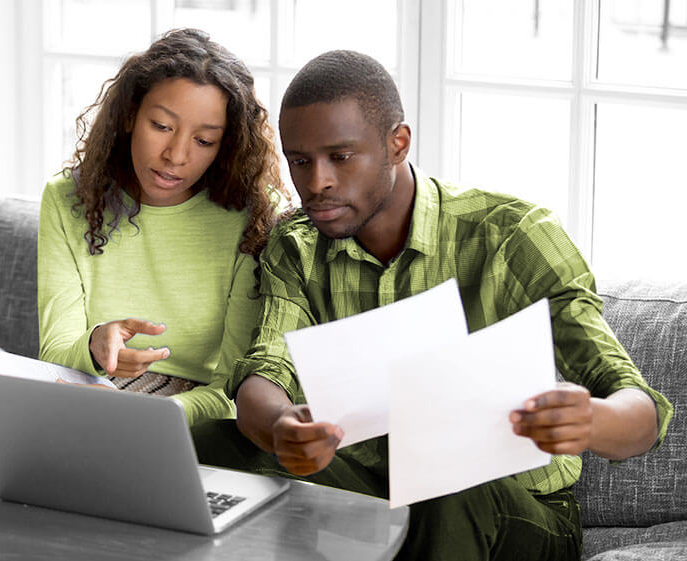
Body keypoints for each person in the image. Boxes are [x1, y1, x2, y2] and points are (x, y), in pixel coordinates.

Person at [191, 50, 673, 560]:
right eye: (300, 161)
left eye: (341, 156)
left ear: (397, 144)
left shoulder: (512, 236)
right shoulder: (297, 246)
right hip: (373, 492)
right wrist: (281, 427)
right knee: (211, 445)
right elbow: (266, 371)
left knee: (446, 479)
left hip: (509, 510)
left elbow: (641, 412)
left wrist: (592, 420)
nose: (317, 183)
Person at [37, 28, 290, 425]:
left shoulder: (252, 214)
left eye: (204, 141)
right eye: (161, 126)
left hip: (195, 416)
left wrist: (157, 416)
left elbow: (233, 388)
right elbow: (55, 356)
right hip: (89, 397)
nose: (176, 155)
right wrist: (94, 343)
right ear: (128, 117)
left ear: (226, 147)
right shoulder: (68, 199)